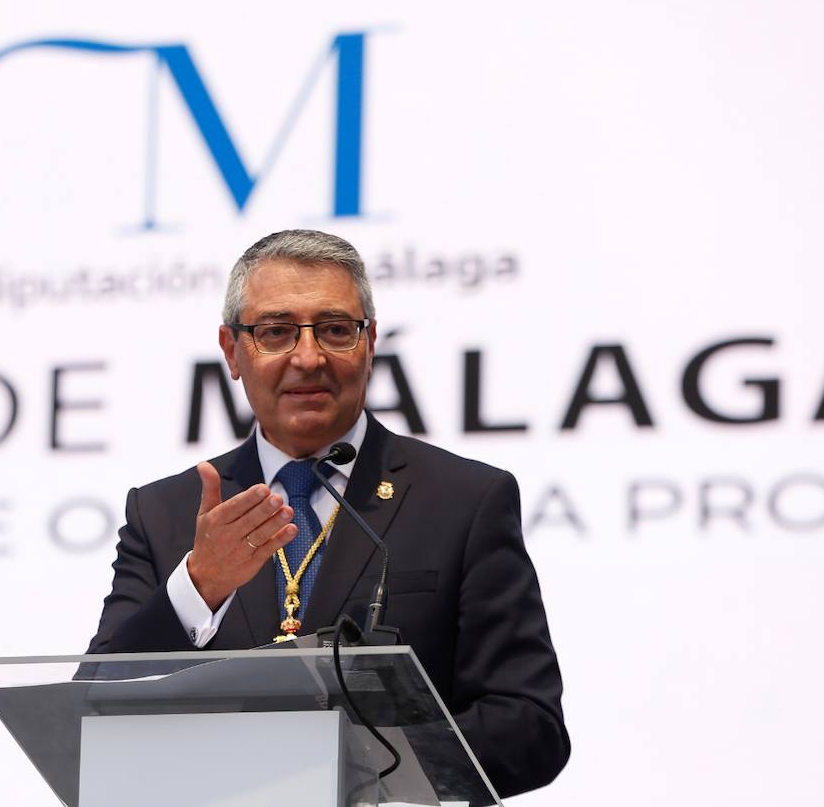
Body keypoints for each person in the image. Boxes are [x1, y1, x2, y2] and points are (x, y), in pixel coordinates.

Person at [87, 229, 569, 797]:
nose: (309, 357)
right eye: (276, 332)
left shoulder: (464, 500)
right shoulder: (165, 511)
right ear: (232, 350)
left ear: (369, 344)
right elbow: (95, 708)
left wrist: (358, 767)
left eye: (337, 330)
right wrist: (200, 586)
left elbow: (530, 728)